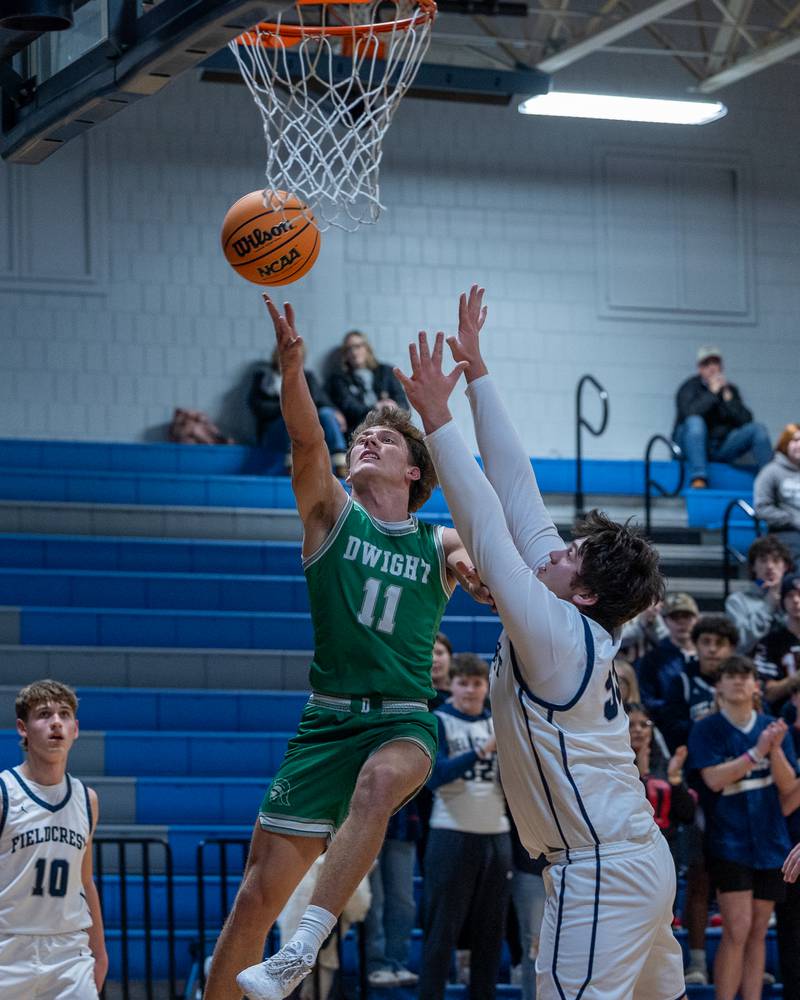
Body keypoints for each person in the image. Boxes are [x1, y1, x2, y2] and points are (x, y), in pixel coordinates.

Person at [395, 285, 686, 1000]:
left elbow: (491, 528)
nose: (553, 550)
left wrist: (436, 417)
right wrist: (480, 375)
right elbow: (518, 489)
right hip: (634, 859)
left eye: (570, 555)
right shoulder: (570, 614)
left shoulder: (556, 630)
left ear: (583, 592)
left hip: (601, 871)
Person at [205, 295, 488, 1000]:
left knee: (380, 784)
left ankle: (302, 948)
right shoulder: (332, 517)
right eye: (362, 434)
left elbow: (480, 552)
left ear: (415, 472)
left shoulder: (437, 539)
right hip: (326, 722)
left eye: (385, 440)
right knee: (250, 903)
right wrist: (293, 370)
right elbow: (306, 444)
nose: (367, 440)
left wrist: (484, 577)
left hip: (401, 719)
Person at [689, 656, 800, 1000]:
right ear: (718, 685)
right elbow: (713, 779)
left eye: (745, 676)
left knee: (755, 932)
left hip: (770, 842)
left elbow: (789, 788)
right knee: (736, 929)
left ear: (756, 685)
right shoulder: (706, 728)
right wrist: (757, 752)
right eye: (730, 676)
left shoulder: (772, 725)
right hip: (728, 841)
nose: (738, 682)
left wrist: (775, 749)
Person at [0, 679, 107, 999]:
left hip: (67, 952)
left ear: (75, 729)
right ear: (23, 728)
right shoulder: (5, 794)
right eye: (44, 714)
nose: (56, 722)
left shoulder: (87, 800)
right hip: (7, 947)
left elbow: (85, 882)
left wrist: (99, 953)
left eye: (64, 714)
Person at [419, 653, 511, 1000]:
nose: (470, 691)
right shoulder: (439, 721)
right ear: (452, 686)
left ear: (487, 687)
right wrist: (482, 751)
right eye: (463, 683)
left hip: (496, 835)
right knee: (441, 931)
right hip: (450, 833)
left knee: (490, 933)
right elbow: (436, 776)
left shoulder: (498, 723)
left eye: (477, 684)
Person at [672, 345, 771, 488]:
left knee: (758, 429)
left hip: (721, 446)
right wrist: (712, 394)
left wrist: (729, 400)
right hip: (692, 446)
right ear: (700, 368)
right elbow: (688, 414)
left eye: (715, 363)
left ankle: (771, 481)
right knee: (695, 421)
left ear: (721, 366)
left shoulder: (730, 390)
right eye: (706, 364)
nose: (712, 367)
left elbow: (746, 420)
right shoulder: (689, 387)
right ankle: (699, 477)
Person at [248, 346, 348, 477]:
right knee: (293, 415)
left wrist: (335, 411)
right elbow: (259, 407)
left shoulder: (308, 377)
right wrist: (289, 407)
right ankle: (292, 464)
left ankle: (340, 462)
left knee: (327, 414)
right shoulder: (263, 378)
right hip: (275, 431)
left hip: (306, 429)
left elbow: (321, 401)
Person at [626, 703, 695, 874]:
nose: (638, 730)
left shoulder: (665, 763)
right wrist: (642, 775)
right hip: (630, 853)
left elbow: (687, 814)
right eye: (630, 725)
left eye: (644, 724)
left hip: (667, 848)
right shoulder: (613, 767)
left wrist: (675, 779)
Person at [363, 798, 420, 988]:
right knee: (374, 901)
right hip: (365, 824)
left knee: (403, 902)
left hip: (402, 825)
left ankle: (398, 962)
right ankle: (376, 964)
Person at [326, 330, 409, 437]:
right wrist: (376, 407)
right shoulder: (340, 378)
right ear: (345, 354)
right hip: (359, 428)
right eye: (349, 349)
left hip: (391, 424)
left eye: (357, 346)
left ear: (367, 348)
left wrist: (392, 405)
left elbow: (403, 403)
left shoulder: (386, 371)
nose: (354, 352)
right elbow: (349, 408)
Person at [638, 592, 699, 732]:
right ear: (665, 621)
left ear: (696, 619)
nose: (682, 622)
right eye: (675, 617)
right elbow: (646, 699)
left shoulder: (706, 656)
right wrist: (674, 709)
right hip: (668, 728)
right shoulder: (653, 658)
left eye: (687, 616)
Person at [725, 535, 793, 654]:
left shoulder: (795, 599)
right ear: (753, 567)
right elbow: (740, 644)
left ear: (785, 567)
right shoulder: (737, 601)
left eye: (776, 560)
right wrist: (768, 605)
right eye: (763, 560)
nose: (770, 566)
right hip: (751, 668)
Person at [754, 571, 800, 715]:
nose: (796, 600)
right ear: (782, 602)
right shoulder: (771, 641)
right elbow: (768, 693)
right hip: (784, 718)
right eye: (790, 595)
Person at [754, 423, 800, 561]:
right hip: (785, 532)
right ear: (785, 443)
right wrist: (792, 520)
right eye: (795, 440)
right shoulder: (771, 471)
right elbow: (761, 508)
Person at [430, 631, 453, 709]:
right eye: (428, 654)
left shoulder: (465, 692)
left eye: (439, 653)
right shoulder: (417, 698)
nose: (434, 659)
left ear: (450, 656)